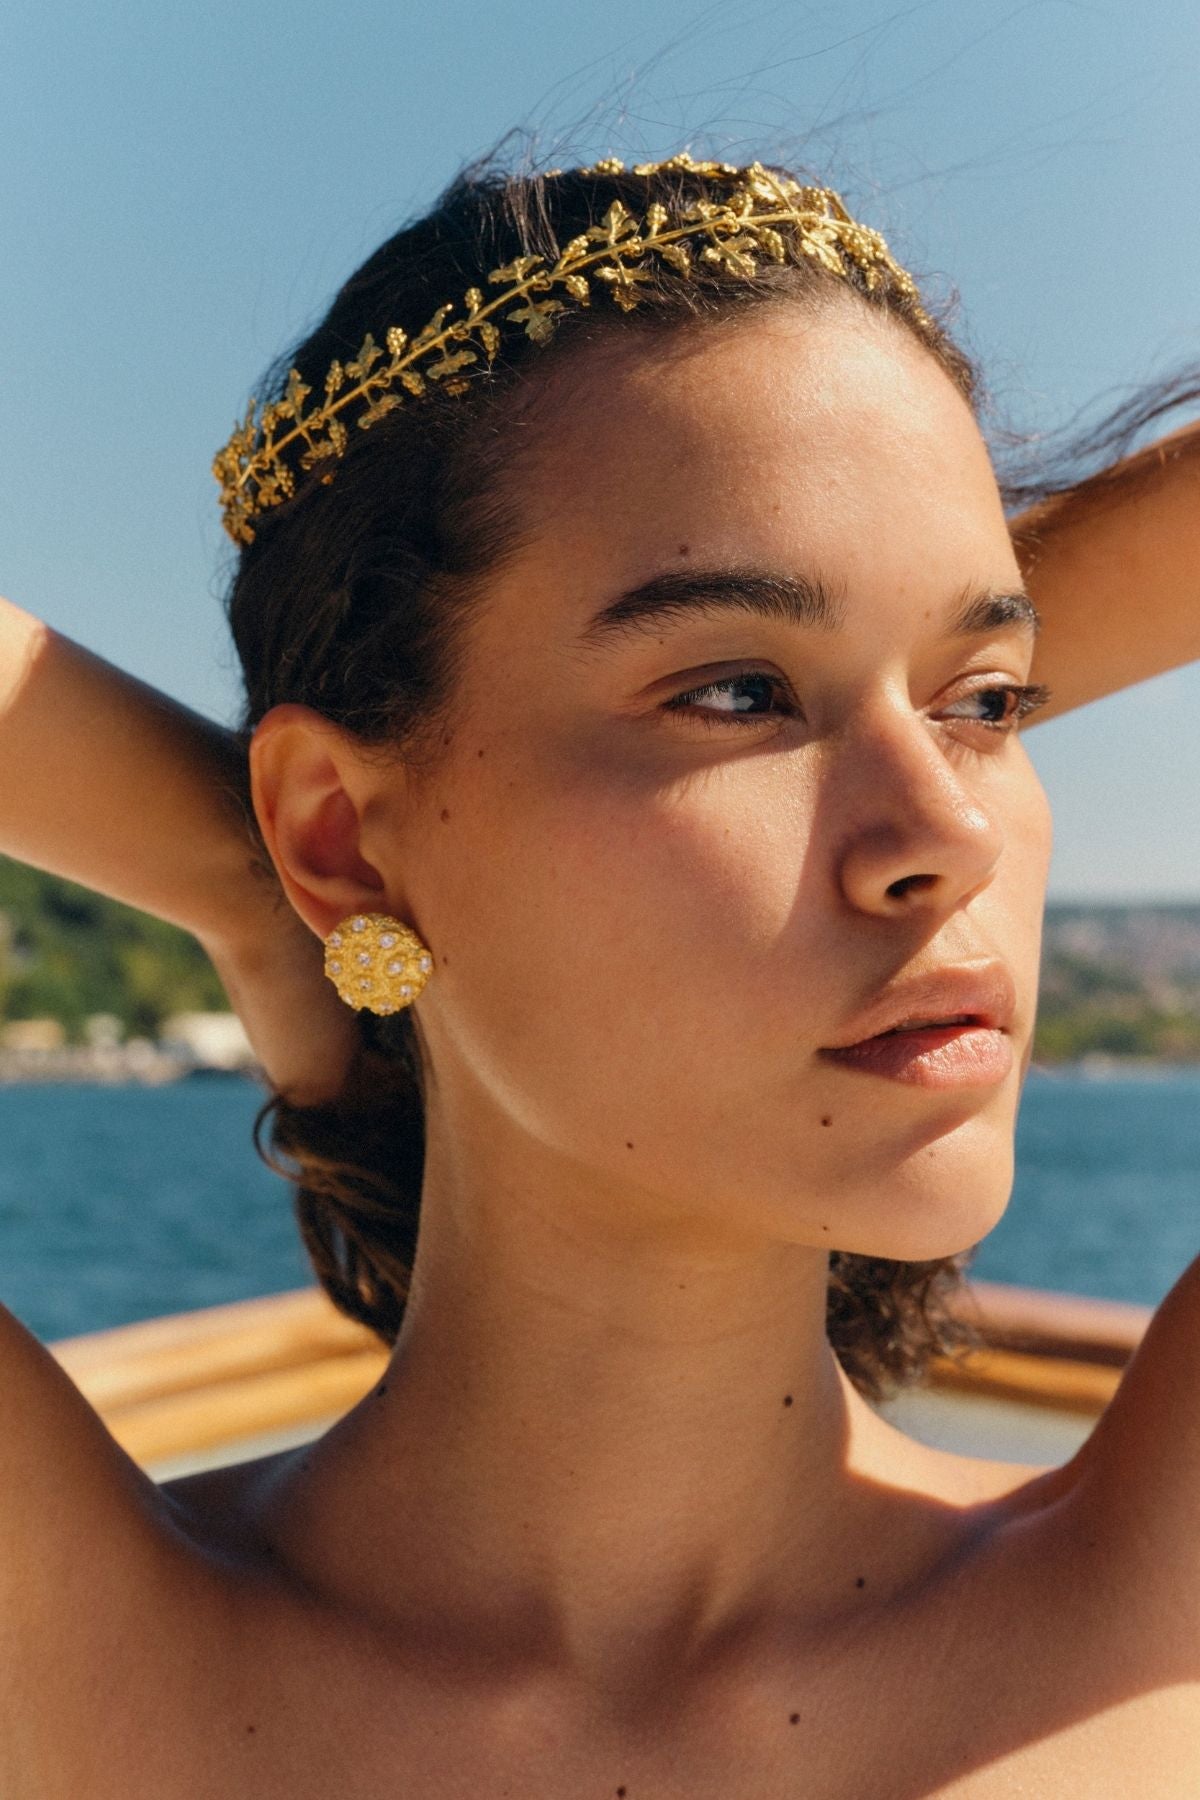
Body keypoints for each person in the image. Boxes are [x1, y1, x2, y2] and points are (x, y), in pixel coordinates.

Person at [2, 146, 1198, 1795]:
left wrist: (279, 898)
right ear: (340, 831)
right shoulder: (70, 1638)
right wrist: (253, 876)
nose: (951, 834)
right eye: (735, 694)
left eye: (989, 701)